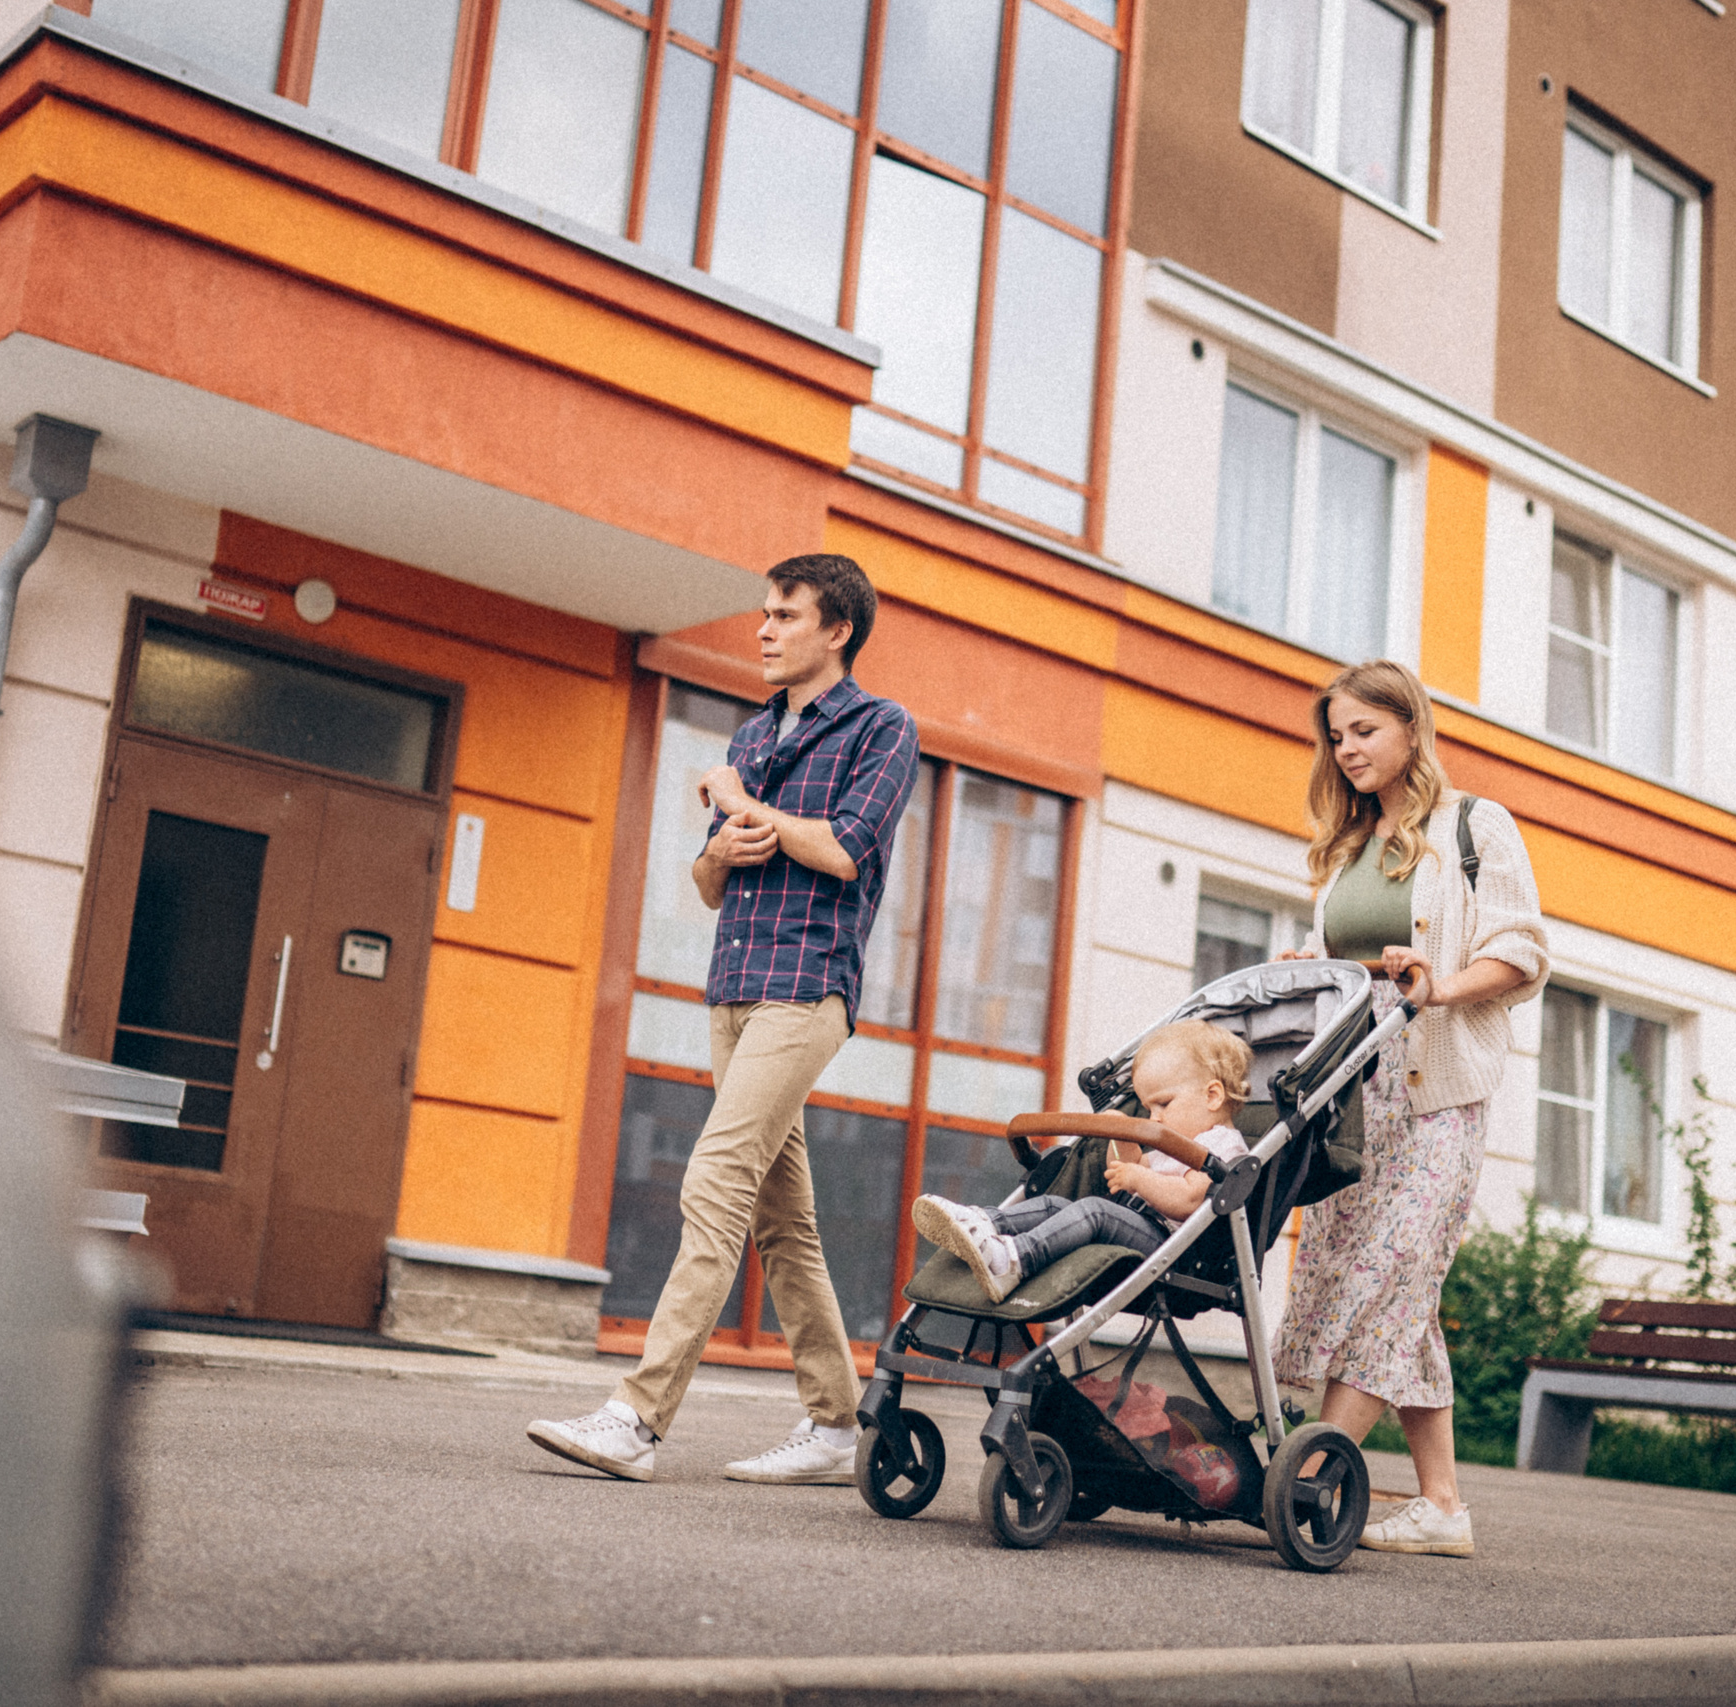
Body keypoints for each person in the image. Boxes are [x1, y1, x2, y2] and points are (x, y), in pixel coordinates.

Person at [529, 555, 919, 1486]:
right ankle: (834, 1426)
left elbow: (844, 850)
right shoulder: (752, 735)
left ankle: (637, 1416)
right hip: (734, 986)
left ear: (838, 631)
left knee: (714, 1179)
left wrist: (754, 811)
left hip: (807, 987)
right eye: (765, 614)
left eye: (786, 616)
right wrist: (731, 844)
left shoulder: (881, 728)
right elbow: (707, 881)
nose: (765, 630)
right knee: (786, 1223)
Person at [1272, 658, 1546, 1560]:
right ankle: (1443, 1507)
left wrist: (1439, 987)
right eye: (1337, 735)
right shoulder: (1348, 848)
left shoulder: (1475, 826)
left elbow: (1523, 952)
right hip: (1353, 1103)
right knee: (1401, 1289)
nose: (1347, 749)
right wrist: (1298, 975)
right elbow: (1342, 969)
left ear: (1411, 729)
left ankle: (1312, 1472)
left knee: (1391, 1276)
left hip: (1436, 1093)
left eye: (1365, 731)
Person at [914, 1020, 1252, 1303]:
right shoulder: (1173, 1142)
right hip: (1140, 1225)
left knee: (1094, 1211)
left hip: (1175, 1250)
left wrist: (1137, 1179)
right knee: (1052, 1205)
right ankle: (983, 1223)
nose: (1155, 1118)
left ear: (1212, 1096)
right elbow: (1126, 1166)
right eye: (1149, 1109)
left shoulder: (1223, 1146)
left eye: (1163, 1104)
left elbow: (1189, 1200)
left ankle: (1014, 1258)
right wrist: (1123, 1135)